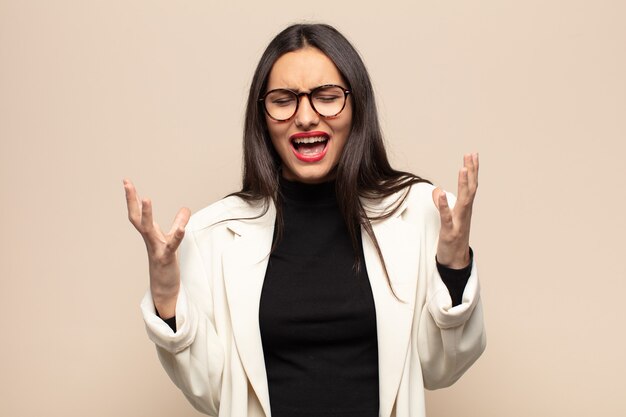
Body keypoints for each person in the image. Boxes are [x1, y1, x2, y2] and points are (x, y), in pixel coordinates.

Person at [124, 23, 485, 417]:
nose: (307, 117)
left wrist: (453, 266)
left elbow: (441, 369)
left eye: (327, 97)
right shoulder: (213, 234)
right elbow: (211, 391)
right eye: (283, 101)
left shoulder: (419, 213)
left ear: (356, 105)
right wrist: (166, 297)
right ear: (262, 115)